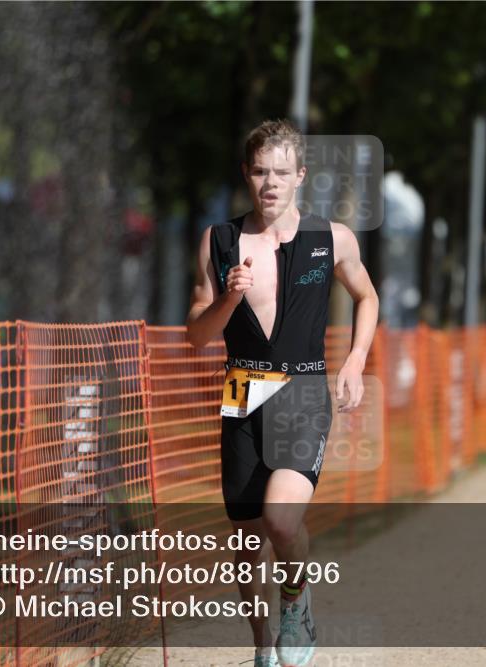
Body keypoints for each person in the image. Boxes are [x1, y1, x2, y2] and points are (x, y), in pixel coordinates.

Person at [186, 120, 379, 667]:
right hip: (243, 390)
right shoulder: (219, 241)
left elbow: (367, 297)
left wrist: (357, 358)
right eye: (259, 171)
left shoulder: (332, 237)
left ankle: (297, 602)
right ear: (247, 175)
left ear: (300, 176)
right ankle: (262, 645)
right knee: (248, 542)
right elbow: (195, 335)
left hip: (302, 391)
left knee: (281, 521)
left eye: (280, 172)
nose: (269, 182)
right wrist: (226, 300)